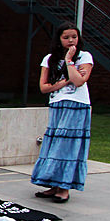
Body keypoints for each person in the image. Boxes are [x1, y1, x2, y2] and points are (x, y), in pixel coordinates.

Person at [31, 22, 94, 203]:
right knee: (55, 145)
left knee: (68, 147)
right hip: (58, 105)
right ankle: (53, 184)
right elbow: (44, 87)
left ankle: (64, 187)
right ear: (59, 39)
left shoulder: (84, 56)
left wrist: (69, 61)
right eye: (66, 37)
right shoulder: (49, 59)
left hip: (77, 106)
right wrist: (64, 82)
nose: (70, 40)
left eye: (74, 37)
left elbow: (80, 81)